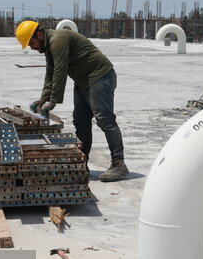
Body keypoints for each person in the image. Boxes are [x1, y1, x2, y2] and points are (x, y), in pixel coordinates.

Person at [15, 20, 128, 182]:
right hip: (83, 80)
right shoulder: (48, 45)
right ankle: (82, 162)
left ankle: (119, 164)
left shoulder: (57, 40)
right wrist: (43, 98)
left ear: (39, 35)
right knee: (81, 121)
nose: (31, 47)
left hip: (99, 76)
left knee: (104, 119)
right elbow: (50, 73)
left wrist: (52, 102)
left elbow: (60, 72)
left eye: (31, 43)